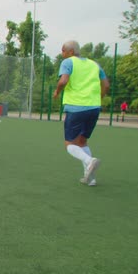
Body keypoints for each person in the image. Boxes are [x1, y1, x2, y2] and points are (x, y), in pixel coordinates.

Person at [53, 40, 110, 186]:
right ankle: (90, 178)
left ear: (71, 52)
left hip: (76, 107)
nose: (62, 53)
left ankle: (89, 161)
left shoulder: (68, 62)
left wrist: (57, 91)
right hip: (94, 108)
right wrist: (99, 98)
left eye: (63, 50)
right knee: (82, 141)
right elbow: (106, 85)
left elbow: (63, 81)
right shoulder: (94, 64)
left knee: (69, 144)